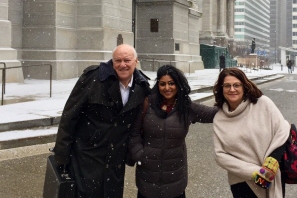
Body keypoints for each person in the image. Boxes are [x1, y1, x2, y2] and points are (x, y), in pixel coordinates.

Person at [53, 44, 151, 198]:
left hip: (115, 160)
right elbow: (70, 116)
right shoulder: (93, 78)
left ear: (136, 61)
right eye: (117, 60)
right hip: (87, 156)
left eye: (127, 60)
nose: (122, 64)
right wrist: (62, 156)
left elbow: (139, 124)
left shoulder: (142, 86)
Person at [129, 65, 218, 198]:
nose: (167, 88)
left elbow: (214, 114)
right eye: (162, 84)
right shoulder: (147, 103)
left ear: (178, 84)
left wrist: (228, 95)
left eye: (171, 83)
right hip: (147, 178)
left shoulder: (187, 107)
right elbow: (134, 133)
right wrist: (140, 156)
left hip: (175, 179)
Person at [212, 68, 290, 198]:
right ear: (221, 89)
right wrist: (255, 172)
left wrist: (270, 164)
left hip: (272, 174)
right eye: (227, 86)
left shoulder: (263, 103)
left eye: (236, 85)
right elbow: (220, 155)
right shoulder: (219, 119)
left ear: (244, 86)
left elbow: (283, 129)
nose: (232, 89)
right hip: (242, 181)